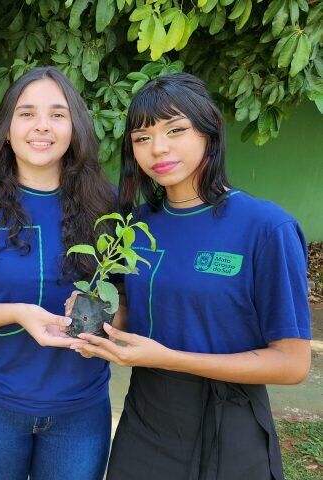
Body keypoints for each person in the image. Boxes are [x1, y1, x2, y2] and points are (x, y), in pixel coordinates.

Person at [71, 72, 312, 480]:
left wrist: (168, 359)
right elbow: (134, 307)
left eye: (175, 130)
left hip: (229, 423)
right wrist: (96, 321)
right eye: (142, 138)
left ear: (210, 132)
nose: (158, 148)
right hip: (147, 421)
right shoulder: (137, 226)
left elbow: (292, 363)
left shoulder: (266, 227)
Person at [0, 66, 118, 480]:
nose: (42, 127)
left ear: (75, 127)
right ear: (7, 128)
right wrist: (18, 313)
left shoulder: (106, 206)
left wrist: (105, 323)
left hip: (79, 408)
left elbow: (128, 303)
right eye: (27, 113)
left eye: (57, 114)